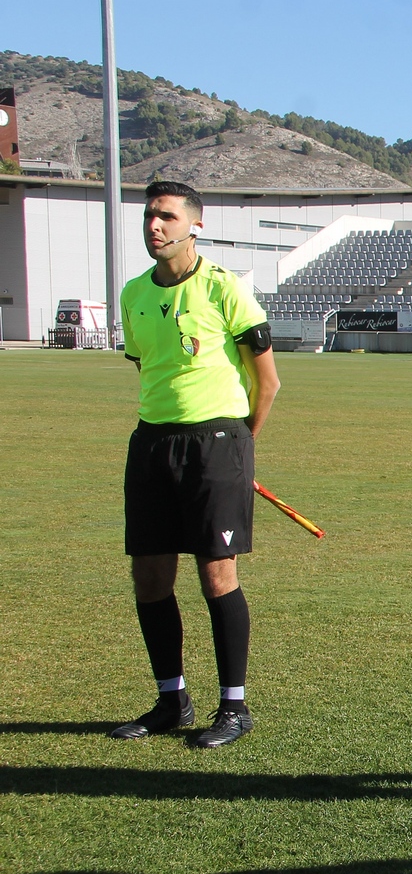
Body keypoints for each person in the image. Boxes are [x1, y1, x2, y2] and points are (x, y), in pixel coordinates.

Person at [111, 181, 280, 748]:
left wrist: (239, 446)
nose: (154, 226)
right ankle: (171, 700)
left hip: (217, 443)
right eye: (149, 217)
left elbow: (268, 381)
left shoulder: (223, 289)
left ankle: (234, 707)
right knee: (151, 576)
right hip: (153, 444)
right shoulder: (134, 293)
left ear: (194, 226)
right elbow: (146, 369)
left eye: (166, 217)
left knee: (217, 574)